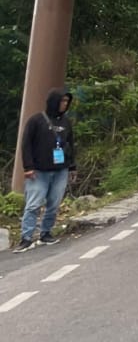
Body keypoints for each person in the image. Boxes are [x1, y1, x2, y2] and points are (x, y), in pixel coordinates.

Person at [15, 88, 77, 253]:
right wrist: (28, 167)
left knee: (54, 203)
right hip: (39, 171)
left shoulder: (66, 122)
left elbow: (70, 144)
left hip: (60, 170)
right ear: (53, 101)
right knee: (33, 204)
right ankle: (26, 237)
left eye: (66, 101)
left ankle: (46, 233)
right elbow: (26, 144)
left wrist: (72, 166)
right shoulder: (36, 120)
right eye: (62, 101)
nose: (64, 104)